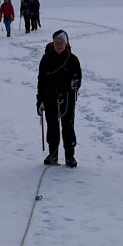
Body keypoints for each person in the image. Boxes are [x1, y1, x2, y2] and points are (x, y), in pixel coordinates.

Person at [37, 30, 82, 167]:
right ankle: (53, 154)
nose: (59, 44)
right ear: (53, 43)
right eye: (56, 42)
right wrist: (39, 101)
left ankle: (69, 156)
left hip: (67, 98)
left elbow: (78, 77)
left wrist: (76, 84)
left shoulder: (73, 59)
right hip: (49, 97)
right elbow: (41, 81)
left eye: (61, 42)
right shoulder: (46, 58)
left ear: (66, 43)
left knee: (68, 126)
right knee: (52, 127)